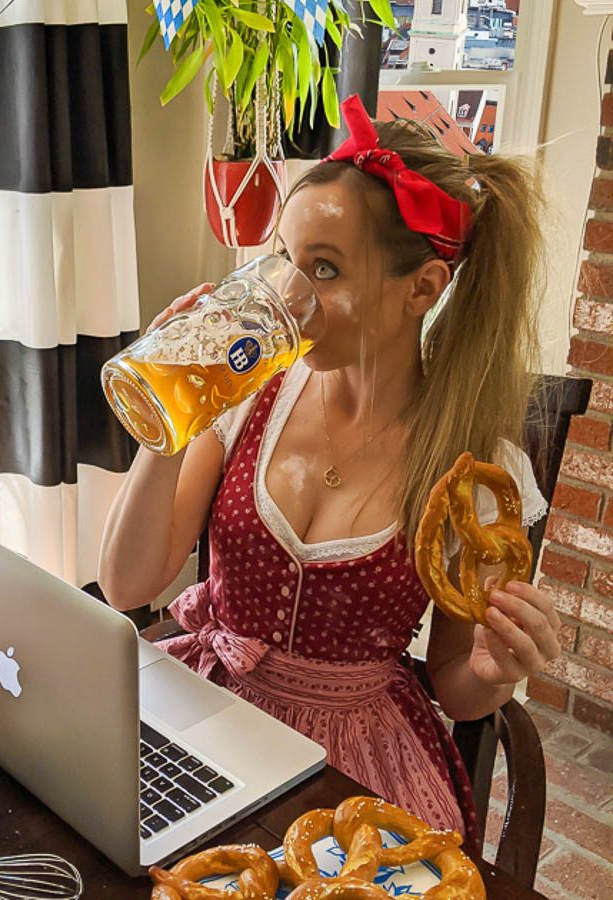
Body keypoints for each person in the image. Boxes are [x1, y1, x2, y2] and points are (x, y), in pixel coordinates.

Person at [98, 95, 562, 846]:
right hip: (211, 706)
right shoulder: (245, 395)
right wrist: (168, 422)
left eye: (326, 270)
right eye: (286, 257)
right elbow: (126, 585)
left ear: (423, 290)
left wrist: (492, 669)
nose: (290, 297)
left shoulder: (466, 468)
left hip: (356, 760)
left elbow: (455, 683)